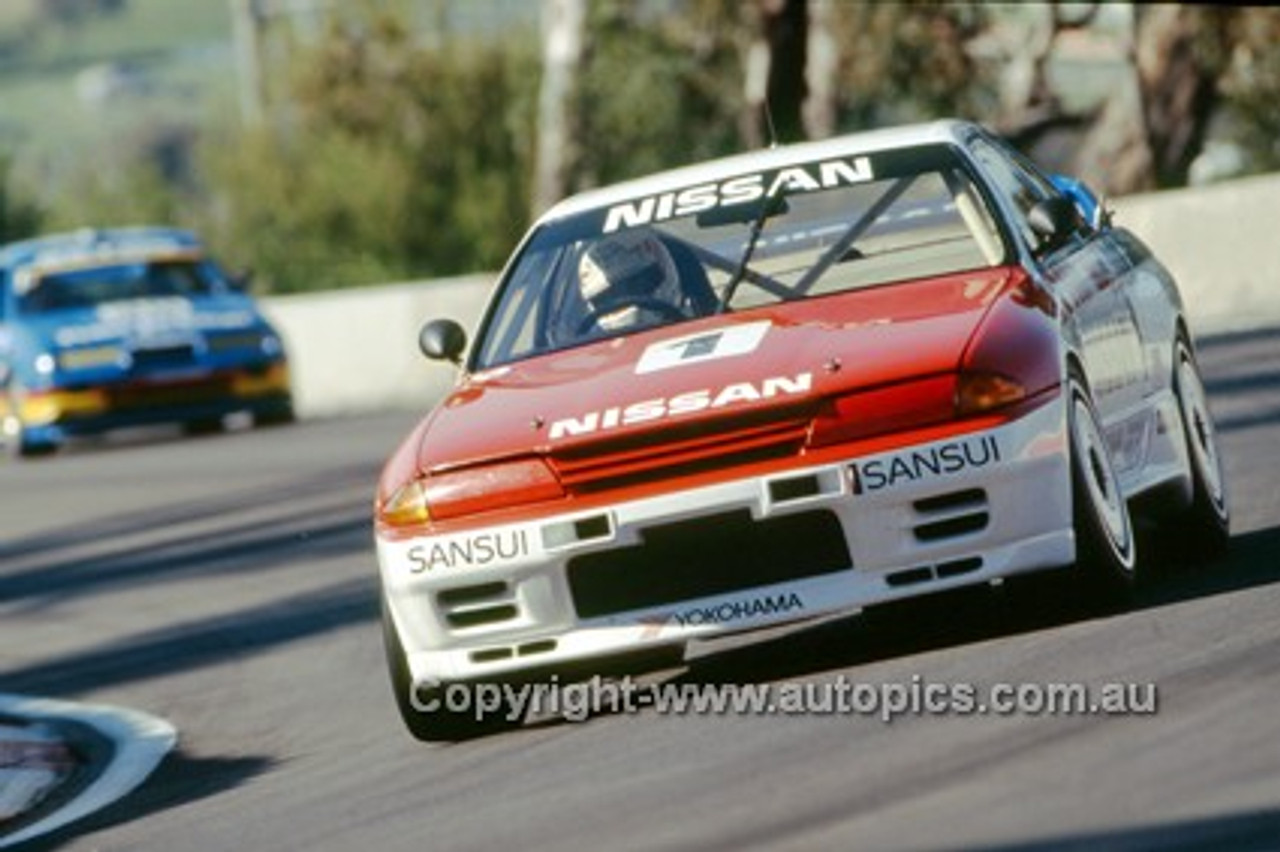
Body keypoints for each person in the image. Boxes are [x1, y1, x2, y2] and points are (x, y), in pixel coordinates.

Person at [576, 229, 689, 335]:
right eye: (609, 296)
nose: (624, 302)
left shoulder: (697, 323)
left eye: (637, 286)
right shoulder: (585, 347)